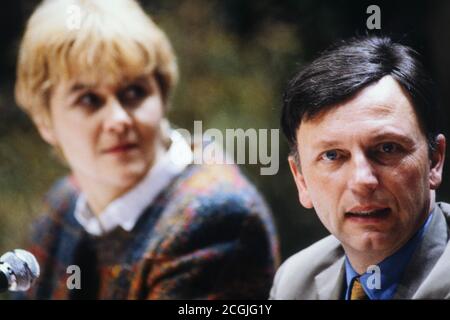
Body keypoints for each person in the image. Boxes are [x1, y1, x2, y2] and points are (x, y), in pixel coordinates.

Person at [14, 0, 279, 299]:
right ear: (44, 121)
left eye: (134, 92)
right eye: (89, 99)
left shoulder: (216, 219)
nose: (118, 120)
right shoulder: (64, 205)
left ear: (162, 96)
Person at [270, 36, 449, 300]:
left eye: (387, 148)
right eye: (332, 155)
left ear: (435, 161)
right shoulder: (295, 282)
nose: (363, 180)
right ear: (302, 181)